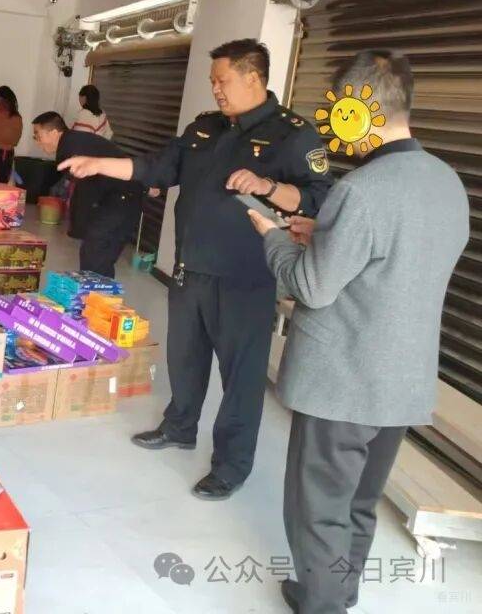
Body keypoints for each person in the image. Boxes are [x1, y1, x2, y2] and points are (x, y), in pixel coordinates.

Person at [60, 39, 333, 500]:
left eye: (222, 81)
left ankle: (231, 466)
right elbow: (157, 167)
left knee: (241, 379)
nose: (216, 90)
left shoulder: (294, 135)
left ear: (253, 78)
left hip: (246, 278)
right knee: (185, 358)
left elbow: (320, 199)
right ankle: (180, 426)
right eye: (212, 81)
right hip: (191, 267)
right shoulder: (206, 127)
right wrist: (99, 163)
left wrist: (268, 186)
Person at [248, 51, 468, 614]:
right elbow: (396, 255)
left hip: (343, 381)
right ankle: (336, 591)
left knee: (319, 507)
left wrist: (273, 236)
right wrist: (324, 230)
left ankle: (323, 603)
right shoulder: (446, 182)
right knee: (359, 502)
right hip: (401, 379)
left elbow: (312, 286)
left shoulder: (363, 189)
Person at [32, 111, 144, 277]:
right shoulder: (71, 142)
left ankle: (96, 291)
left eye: (38, 135)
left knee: (96, 250)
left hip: (122, 197)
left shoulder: (71, 147)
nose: (37, 141)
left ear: (54, 133)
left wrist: (78, 226)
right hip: (119, 196)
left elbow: (87, 188)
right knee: (96, 252)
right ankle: (96, 290)